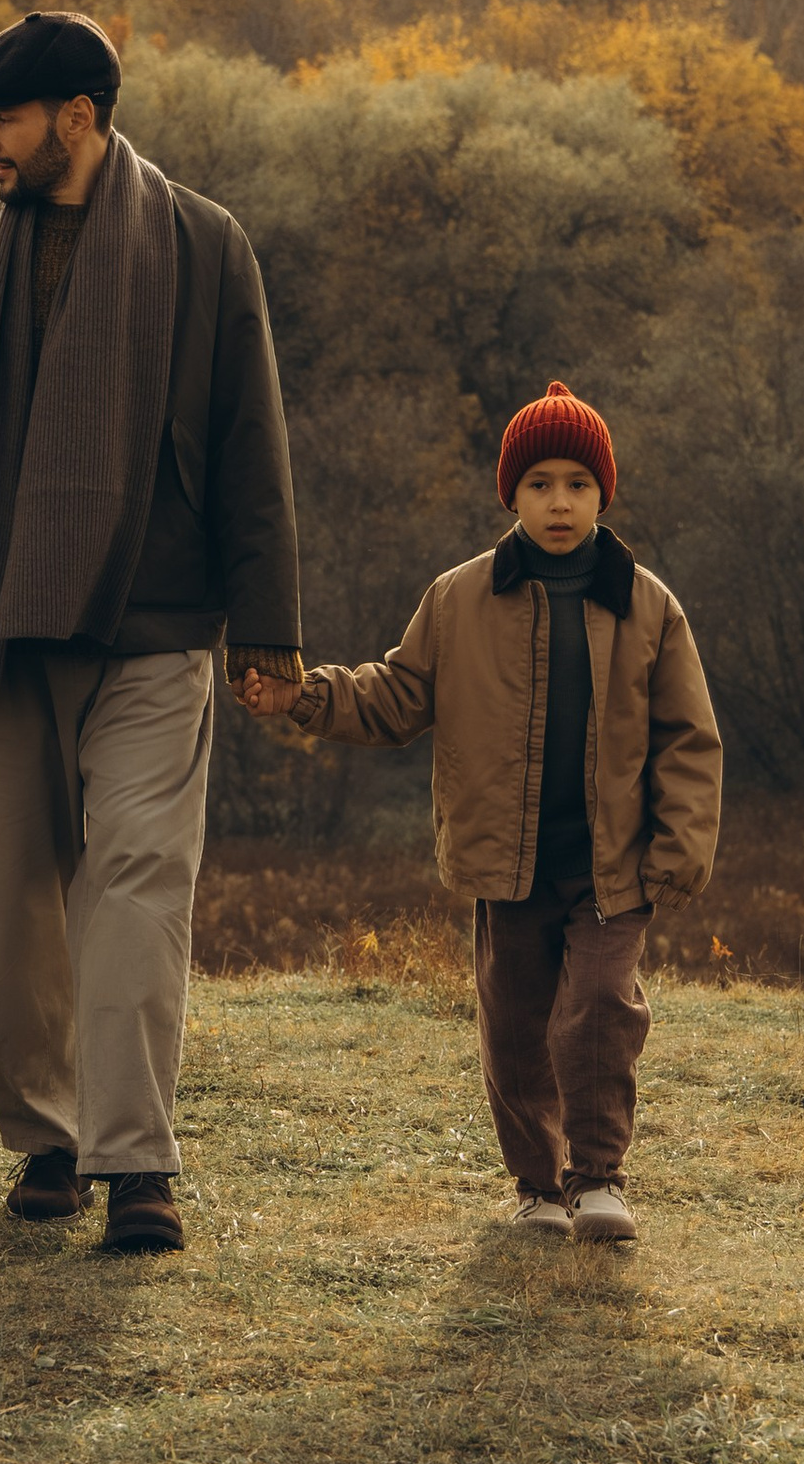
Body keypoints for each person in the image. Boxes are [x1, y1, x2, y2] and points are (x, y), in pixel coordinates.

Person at [0, 11, 301, 1257]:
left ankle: (135, 1160)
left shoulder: (206, 248)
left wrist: (266, 624)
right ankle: (47, 1138)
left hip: (152, 623)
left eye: (3, 121)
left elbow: (250, 445)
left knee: (139, 885)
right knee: (6, 904)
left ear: (79, 119)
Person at [240, 379, 720, 1244]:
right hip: (507, 864)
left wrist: (679, 849)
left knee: (602, 1011)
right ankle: (538, 1187)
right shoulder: (460, 598)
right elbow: (394, 696)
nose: (560, 501)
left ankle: (599, 1178)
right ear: (512, 495)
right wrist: (304, 695)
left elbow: (689, 738)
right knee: (515, 1031)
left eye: (577, 482)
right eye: (539, 484)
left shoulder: (647, 603)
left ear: (604, 491)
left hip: (613, 867)